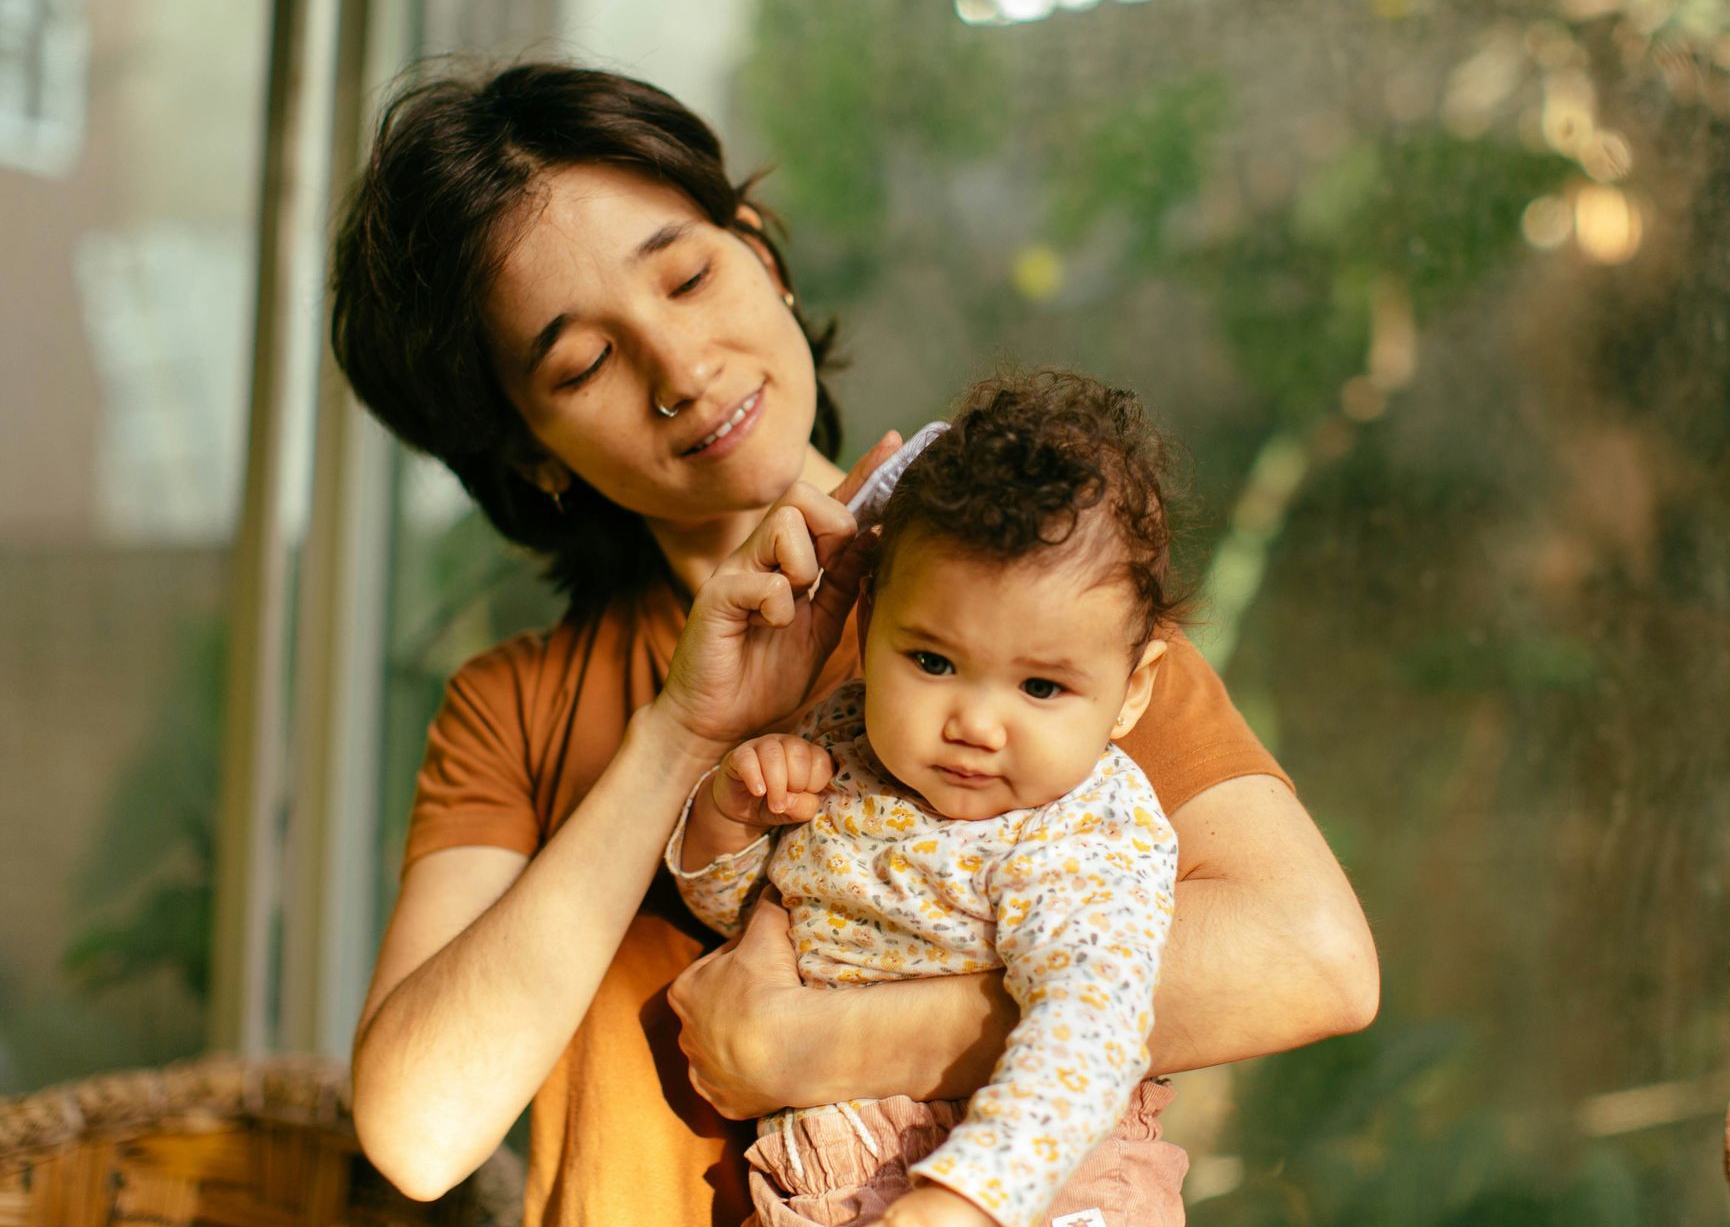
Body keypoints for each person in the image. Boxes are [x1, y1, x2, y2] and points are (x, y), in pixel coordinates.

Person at [329, 62, 1378, 1227]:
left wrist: (807, 1043)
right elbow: (417, 1130)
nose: (683, 369)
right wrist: (682, 737)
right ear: (529, 452)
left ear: (762, 250)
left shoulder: (1042, 590)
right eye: (584, 364)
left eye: (687, 275)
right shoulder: (515, 705)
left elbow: (1314, 957)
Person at [671, 371, 1189, 1227]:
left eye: (1042, 687)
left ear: (1132, 692)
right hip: (825, 1180)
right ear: (870, 624)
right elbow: (733, 920)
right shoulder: (840, 740)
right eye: (935, 664)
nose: (976, 725)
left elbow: (1092, 1023)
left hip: (1046, 1178)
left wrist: (967, 1200)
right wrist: (732, 813)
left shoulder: (1085, 828)